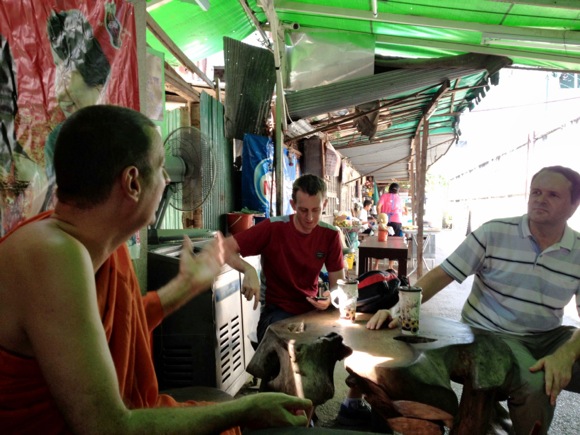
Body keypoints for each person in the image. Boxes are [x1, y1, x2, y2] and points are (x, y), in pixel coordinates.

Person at [0, 105, 312, 434]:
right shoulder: (53, 255)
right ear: (133, 182)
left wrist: (186, 286)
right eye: (161, 167)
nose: (166, 179)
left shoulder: (102, 244)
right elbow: (107, 426)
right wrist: (244, 408)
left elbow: (120, 323)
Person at [367, 165, 580, 435]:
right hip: (493, 331)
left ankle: (493, 413)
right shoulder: (495, 232)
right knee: (537, 383)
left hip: (547, 333)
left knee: (567, 349)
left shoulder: (578, 250)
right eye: (536, 191)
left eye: (552, 194)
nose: (540, 199)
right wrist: (398, 309)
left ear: (574, 205)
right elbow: (441, 274)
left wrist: (565, 354)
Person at [225, 174, 372, 427]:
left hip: (314, 311)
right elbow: (225, 247)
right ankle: (296, 416)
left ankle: (342, 405)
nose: (310, 218)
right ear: (293, 206)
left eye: (316, 210)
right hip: (277, 311)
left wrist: (329, 299)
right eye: (303, 210)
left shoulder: (329, 235)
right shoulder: (274, 227)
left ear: (324, 206)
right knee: (295, 353)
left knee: (353, 338)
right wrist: (248, 270)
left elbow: (339, 285)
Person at [43, 9, 112, 209]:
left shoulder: (124, 134)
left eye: (66, 68)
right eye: (56, 67)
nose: (59, 91)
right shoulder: (57, 140)